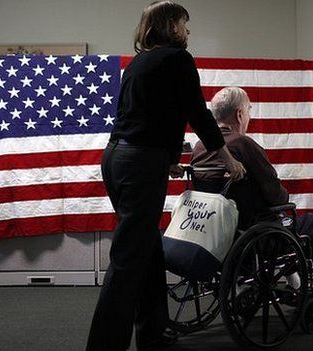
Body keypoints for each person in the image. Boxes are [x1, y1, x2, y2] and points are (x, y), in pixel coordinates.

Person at [86, 3, 246, 351]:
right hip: (140, 163)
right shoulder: (177, 59)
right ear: (171, 26)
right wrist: (226, 155)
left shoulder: (138, 63)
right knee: (129, 257)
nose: (188, 32)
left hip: (117, 158)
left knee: (146, 247)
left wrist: (171, 156)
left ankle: (154, 330)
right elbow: (196, 113)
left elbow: (157, 112)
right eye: (185, 25)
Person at [191, 87, 313, 276]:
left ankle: (296, 283)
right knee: (309, 222)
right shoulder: (244, 145)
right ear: (239, 114)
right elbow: (277, 196)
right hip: (253, 237)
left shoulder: (199, 147)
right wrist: (284, 197)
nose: (249, 117)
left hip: (212, 234)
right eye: (248, 111)